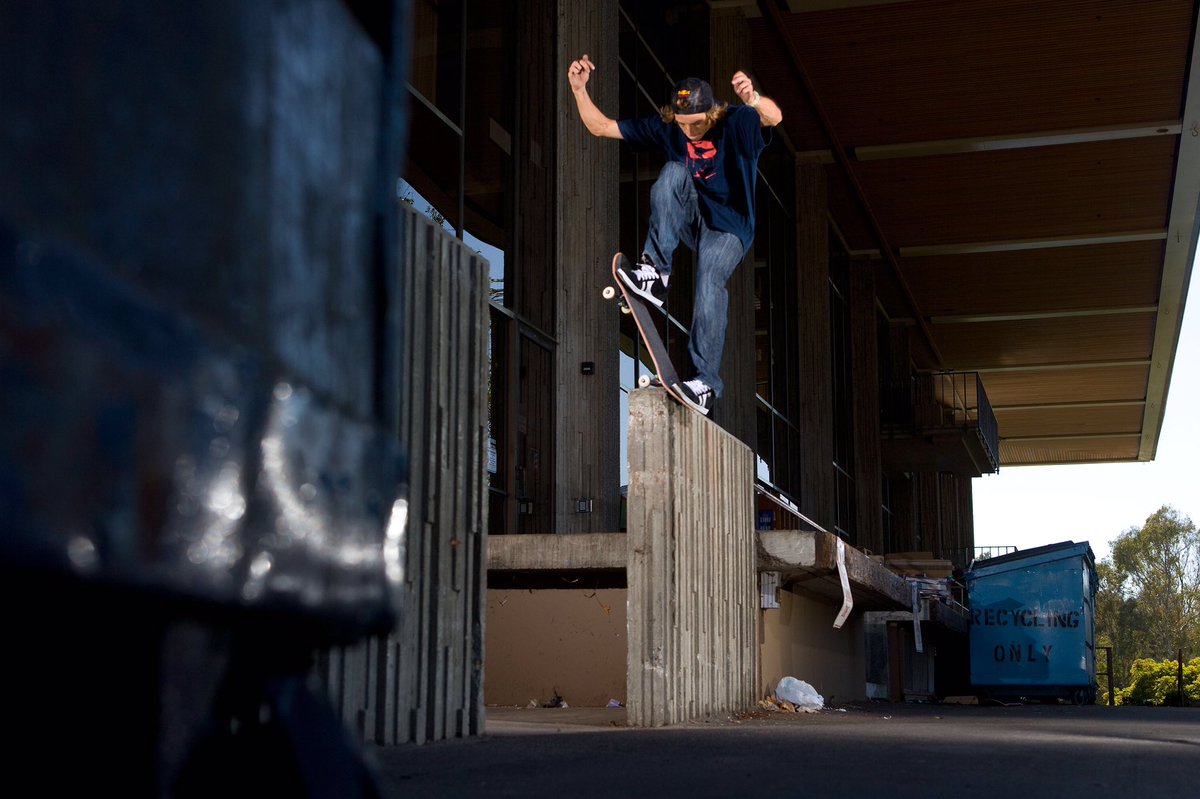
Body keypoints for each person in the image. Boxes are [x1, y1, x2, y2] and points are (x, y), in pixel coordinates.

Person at [567, 54, 782, 415]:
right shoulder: (669, 126)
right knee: (672, 172)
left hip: (729, 229)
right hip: (692, 222)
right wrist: (578, 90)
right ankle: (656, 273)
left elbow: (773, 117)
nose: (688, 131)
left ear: (711, 113)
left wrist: (754, 99)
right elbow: (601, 127)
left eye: (696, 124)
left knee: (709, 280)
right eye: (682, 124)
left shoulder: (737, 121)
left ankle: (705, 385)